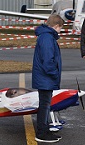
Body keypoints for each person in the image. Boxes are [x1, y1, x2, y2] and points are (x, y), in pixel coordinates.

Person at [32, 14, 64, 143]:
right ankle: (41, 132)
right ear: (56, 26)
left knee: (45, 104)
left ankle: (44, 129)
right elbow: (48, 60)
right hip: (46, 78)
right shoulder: (47, 38)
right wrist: (55, 74)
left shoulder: (46, 36)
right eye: (60, 28)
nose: (60, 31)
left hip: (44, 77)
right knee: (44, 105)